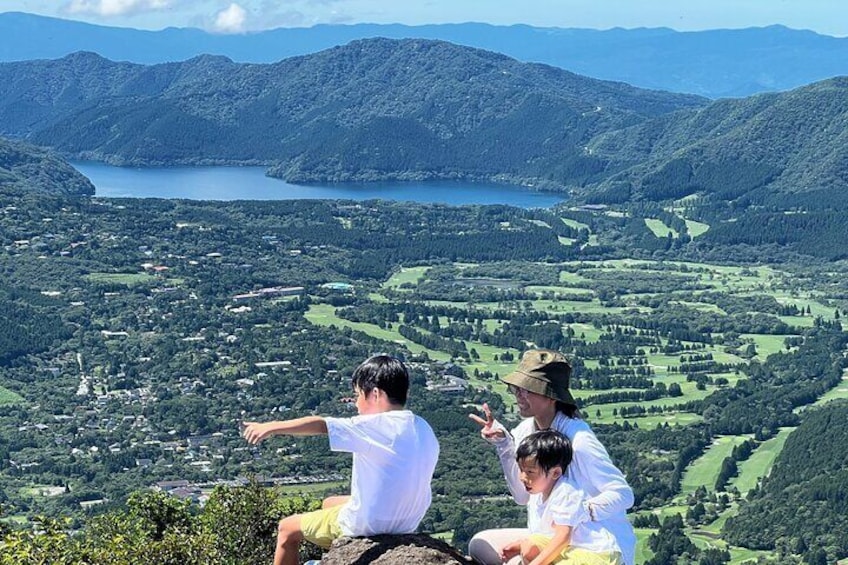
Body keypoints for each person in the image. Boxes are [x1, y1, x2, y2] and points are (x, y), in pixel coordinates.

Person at [243, 354, 440, 565]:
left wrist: (270, 427)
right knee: (329, 502)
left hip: (370, 524)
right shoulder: (423, 427)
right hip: (408, 521)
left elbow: (321, 425)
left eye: (358, 395)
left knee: (287, 529)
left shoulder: (374, 426)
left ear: (375, 394)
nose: (356, 404)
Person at [468, 349, 636, 565]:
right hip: (548, 535)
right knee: (480, 545)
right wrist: (504, 444)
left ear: (550, 395)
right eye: (516, 388)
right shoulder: (524, 431)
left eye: (527, 389)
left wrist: (580, 511)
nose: (519, 395)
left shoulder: (579, 441)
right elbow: (522, 496)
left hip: (595, 546)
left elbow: (623, 495)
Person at [501, 429, 623, 565]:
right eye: (521, 470)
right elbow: (547, 534)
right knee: (529, 546)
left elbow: (563, 537)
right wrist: (519, 546)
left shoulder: (566, 492)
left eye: (530, 472)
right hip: (572, 548)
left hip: (597, 554)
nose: (523, 477)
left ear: (555, 473)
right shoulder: (541, 491)